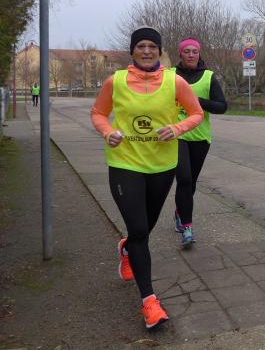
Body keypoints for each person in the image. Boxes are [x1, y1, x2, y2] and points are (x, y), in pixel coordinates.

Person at [90, 27, 203, 330]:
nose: (147, 51)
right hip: (125, 163)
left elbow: (196, 114)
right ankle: (149, 301)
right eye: (141, 46)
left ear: (160, 51)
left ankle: (127, 248)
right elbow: (98, 113)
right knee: (139, 229)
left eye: (152, 46)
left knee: (145, 228)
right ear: (132, 51)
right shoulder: (115, 82)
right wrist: (107, 132)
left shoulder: (174, 81)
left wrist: (177, 129)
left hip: (162, 165)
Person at [173, 37, 227, 248]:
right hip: (177, 135)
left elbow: (222, 106)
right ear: (180, 54)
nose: (190, 55)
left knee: (191, 182)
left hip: (200, 137)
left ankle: (180, 211)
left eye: (194, 51)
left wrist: (198, 102)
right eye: (186, 51)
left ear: (199, 54)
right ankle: (187, 227)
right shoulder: (170, 75)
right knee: (184, 179)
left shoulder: (208, 77)